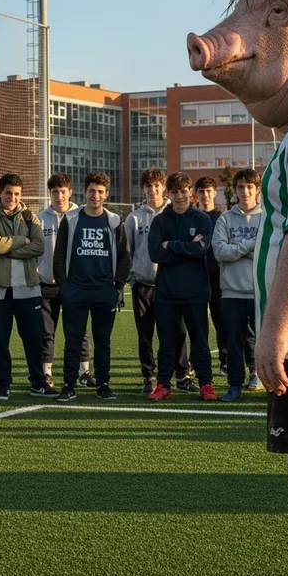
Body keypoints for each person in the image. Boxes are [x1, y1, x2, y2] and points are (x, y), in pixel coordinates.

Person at [53, 171, 130, 401]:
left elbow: (125, 256)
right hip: (75, 291)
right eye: (91, 191)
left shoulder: (115, 221)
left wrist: (116, 285)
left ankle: (103, 385)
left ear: (106, 194)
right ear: (84, 192)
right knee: (72, 342)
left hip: (104, 291)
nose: (95, 195)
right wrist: (64, 287)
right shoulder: (71, 218)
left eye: (100, 191)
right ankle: (68, 385)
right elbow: (59, 255)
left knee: (103, 342)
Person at [0, 173, 57, 402]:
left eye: (16, 194)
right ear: (0, 192)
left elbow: (39, 247)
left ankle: (38, 382)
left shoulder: (30, 217)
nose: (12, 198)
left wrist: (10, 249)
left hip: (28, 289)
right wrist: (20, 241)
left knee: (34, 339)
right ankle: (3, 384)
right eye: (8, 193)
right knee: (0, 340)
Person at [147, 172, 218, 402]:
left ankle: (206, 384)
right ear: (168, 193)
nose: (179, 196)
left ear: (191, 193)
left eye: (183, 191)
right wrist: (187, 246)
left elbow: (202, 250)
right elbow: (155, 253)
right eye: (175, 192)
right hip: (167, 293)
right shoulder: (159, 221)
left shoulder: (202, 220)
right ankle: (163, 384)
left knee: (200, 341)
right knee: (167, 342)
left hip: (196, 292)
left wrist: (172, 246)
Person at [125, 168, 194, 395]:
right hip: (143, 285)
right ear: (142, 189)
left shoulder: (174, 213)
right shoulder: (134, 218)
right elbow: (128, 252)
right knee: (145, 334)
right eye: (148, 186)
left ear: (163, 187)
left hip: (169, 284)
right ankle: (149, 376)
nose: (152, 190)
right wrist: (132, 279)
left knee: (177, 332)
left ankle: (182, 374)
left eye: (157, 185)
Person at [37, 173, 94, 389]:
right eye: (55, 192)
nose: (59, 196)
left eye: (63, 191)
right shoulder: (40, 218)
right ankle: (47, 373)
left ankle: (84, 372)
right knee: (46, 332)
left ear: (70, 192)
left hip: (74, 285)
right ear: (49, 194)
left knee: (80, 330)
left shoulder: (81, 215)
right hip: (47, 284)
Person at [212, 168, 263, 401]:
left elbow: (268, 252)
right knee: (233, 343)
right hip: (232, 291)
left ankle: (260, 377)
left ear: (257, 190)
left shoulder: (266, 217)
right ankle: (234, 385)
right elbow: (220, 252)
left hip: (259, 291)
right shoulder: (225, 218)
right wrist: (250, 246)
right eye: (241, 187)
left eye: (250, 187)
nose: (245, 191)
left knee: (261, 340)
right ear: (236, 190)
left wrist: (239, 247)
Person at [194, 176, 227, 374]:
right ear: (196, 195)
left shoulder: (222, 217)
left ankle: (225, 360)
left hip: (217, 278)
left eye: (208, 191)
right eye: (201, 192)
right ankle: (195, 360)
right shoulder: (192, 217)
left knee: (221, 321)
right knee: (196, 323)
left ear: (215, 193)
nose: (205, 195)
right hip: (195, 277)